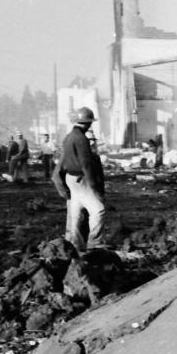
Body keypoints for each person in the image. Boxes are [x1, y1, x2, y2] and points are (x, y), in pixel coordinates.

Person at [55, 108, 106, 252]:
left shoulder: (68, 137)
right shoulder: (81, 139)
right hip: (81, 179)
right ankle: (94, 242)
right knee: (98, 210)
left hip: (71, 178)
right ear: (88, 123)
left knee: (75, 214)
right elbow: (86, 164)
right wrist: (94, 184)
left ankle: (75, 243)